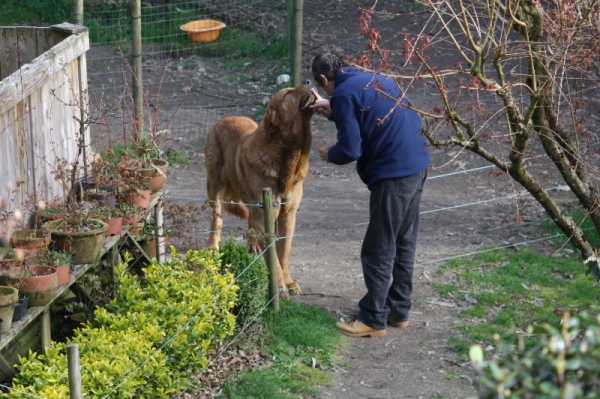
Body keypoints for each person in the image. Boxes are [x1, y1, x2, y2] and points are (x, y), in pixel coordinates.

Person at [310, 52, 431, 337]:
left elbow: (350, 150)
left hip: (393, 173)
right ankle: (398, 312)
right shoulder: (373, 77)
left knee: (378, 247)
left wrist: (331, 153)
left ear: (325, 79)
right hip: (418, 162)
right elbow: (367, 114)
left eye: (325, 86)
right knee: (404, 241)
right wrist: (336, 111)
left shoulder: (342, 94)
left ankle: (373, 319)